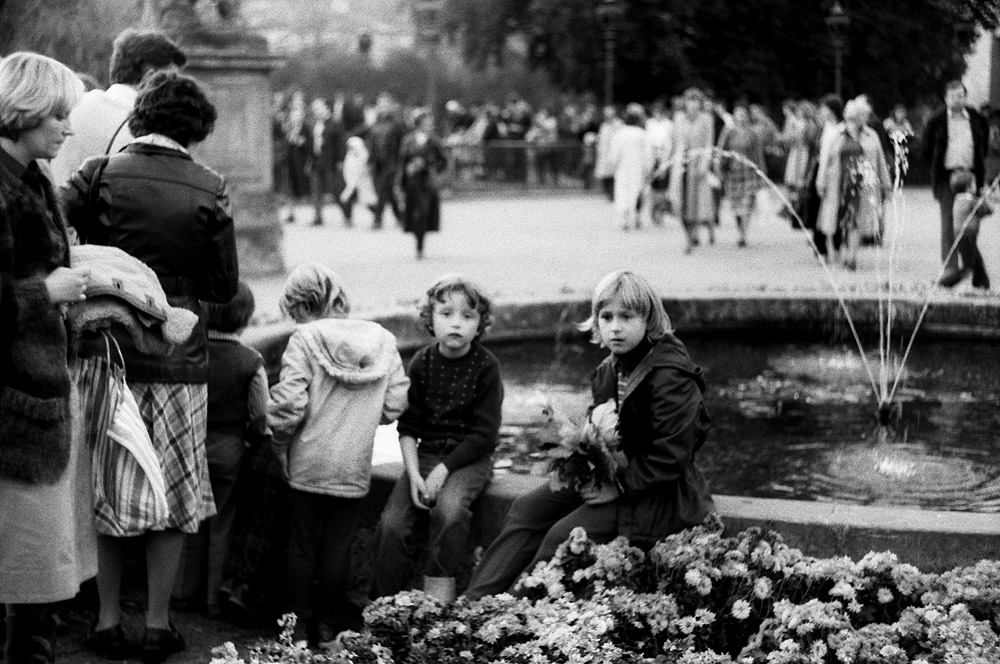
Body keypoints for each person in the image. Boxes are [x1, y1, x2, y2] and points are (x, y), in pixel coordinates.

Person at [61, 71, 238, 663]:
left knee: (107, 484)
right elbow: (224, 284)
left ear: (139, 119)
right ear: (197, 130)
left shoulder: (97, 173)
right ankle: (159, 625)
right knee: (173, 492)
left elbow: (53, 240)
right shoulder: (210, 188)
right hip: (178, 358)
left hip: (106, 352)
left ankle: (108, 620)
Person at [463, 270, 714, 600]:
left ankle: (515, 614)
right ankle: (474, 604)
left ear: (649, 319)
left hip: (659, 493)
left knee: (564, 535)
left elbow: (673, 455)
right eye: (606, 316)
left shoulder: (670, 375)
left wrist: (617, 486)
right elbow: (602, 432)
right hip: (615, 476)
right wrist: (586, 465)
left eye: (627, 316)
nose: (615, 327)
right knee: (527, 509)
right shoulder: (610, 369)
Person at [0, 51, 93, 664]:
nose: (66, 126)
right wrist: (45, 292)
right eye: (58, 113)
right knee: (23, 554)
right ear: (25, 110)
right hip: (13, 398)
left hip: (37, 392)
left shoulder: (33, 178)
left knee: (31, 563)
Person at [268, 263, 409, 647]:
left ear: (298, 306)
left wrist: (279, 444)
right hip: (354, 460)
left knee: (301, 543)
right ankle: (329, 626)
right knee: (338, 545)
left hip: (308, 458)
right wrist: (363, 420)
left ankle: (294, 628)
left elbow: (289, 406)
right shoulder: (381, 339)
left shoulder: (304, 339)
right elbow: (396, 402)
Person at [372, 274, 503, 603]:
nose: (456, 323)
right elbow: (409, 426)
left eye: (467, 316)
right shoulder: (422, 362)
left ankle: (437, 590)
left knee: (449, 510)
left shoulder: (487, 367)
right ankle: (382, 604)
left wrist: (444, 470)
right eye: (446, 314)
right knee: (391, 524)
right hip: (427, 454)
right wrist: (415, 474)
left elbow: (484, 434)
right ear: (430, 318)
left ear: (480, 323)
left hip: (469, 459)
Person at [172, 282, 270, 618]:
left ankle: (184, 593)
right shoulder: (251, 360)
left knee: (190, 519)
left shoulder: (190, 351)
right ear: (245, 318)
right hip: (231, 448)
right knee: (223, 521)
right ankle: (214, 600)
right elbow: (259, 416)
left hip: (192, 443)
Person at [48, 28, 186, 188]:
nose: (177, 92)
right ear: (149, 78)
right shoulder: (147, 134)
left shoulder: (70, 108)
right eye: (172, 82)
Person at [816, 96, 891, 270]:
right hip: (838, 183)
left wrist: (886, 185)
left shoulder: (871, 134)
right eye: (864, 115)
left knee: (856, 221)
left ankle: (852, 257)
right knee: (832, 221)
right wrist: (820, 182)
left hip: (861, 184)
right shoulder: (836, 133)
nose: (866, 118)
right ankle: (835, 255)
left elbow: (880, 160)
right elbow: (825, 160)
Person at [923, 80, 989, 272]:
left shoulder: (976, 118)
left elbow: (982, 146)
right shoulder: (936, 120)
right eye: (952, 96)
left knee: (970, 223)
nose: (957, 100)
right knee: (948, 222)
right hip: (946, 176)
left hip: (970, 176)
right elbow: (927, 149)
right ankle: (950, 265)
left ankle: (971, 266)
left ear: (965, 97)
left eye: (960, 96)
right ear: (946, 98)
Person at [669, 88, 717, 253]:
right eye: (689, 100)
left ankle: (700, 231)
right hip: (681, 166)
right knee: (680, 202)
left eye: (696, 100)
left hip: (698, 165)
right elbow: (673, 142)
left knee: (697, 204)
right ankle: (688, 237)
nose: (692, 104)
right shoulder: (678, 118)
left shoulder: (706, 120)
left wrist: (704, 165)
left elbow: (708, 144)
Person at [715, 101, 765, 247]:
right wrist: (720, 169)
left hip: (748, 172)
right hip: (733, 173)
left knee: (747, 203)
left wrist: (761, 171)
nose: (741, 117)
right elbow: (721, 150)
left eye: (743, 114)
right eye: (738, 114)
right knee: (736, 205)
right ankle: (740, 229)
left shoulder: (752, 132)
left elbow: (758, 153)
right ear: (735, 116)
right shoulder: (729, 131)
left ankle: (744, 233)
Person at [399, 110, 447, 259]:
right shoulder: (408, 140)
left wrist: (428, 165)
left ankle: (420, 244)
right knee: (412, 214)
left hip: (426, 183)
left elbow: (443, 162)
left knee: (423, 213)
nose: (429, 125)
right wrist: (401, 181)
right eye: (426, 122)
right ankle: (417, 237)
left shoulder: (434, 141)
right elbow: (402, 163)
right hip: (412, 183)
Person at [938, 169, 991, 290]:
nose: (975, 187)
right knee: (969, 266)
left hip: (963, 237)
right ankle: (944, 283)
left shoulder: (959, 199)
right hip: (967, 237)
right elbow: (986, 210)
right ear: (968, 187)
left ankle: (981, 285)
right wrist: (985, 196)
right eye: (973, 184)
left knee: (976, 262)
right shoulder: (969, 200)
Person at [609, 103, 653, 232]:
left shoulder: (620, 134)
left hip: (623, 168)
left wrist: (614, 165)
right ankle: (637, 217)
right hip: (638, 168)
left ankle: (624, 218)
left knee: (622, 193)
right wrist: (648, 168)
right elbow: (648, 154)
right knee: (638, 192)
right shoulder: (642, 134)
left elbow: (614, 154)